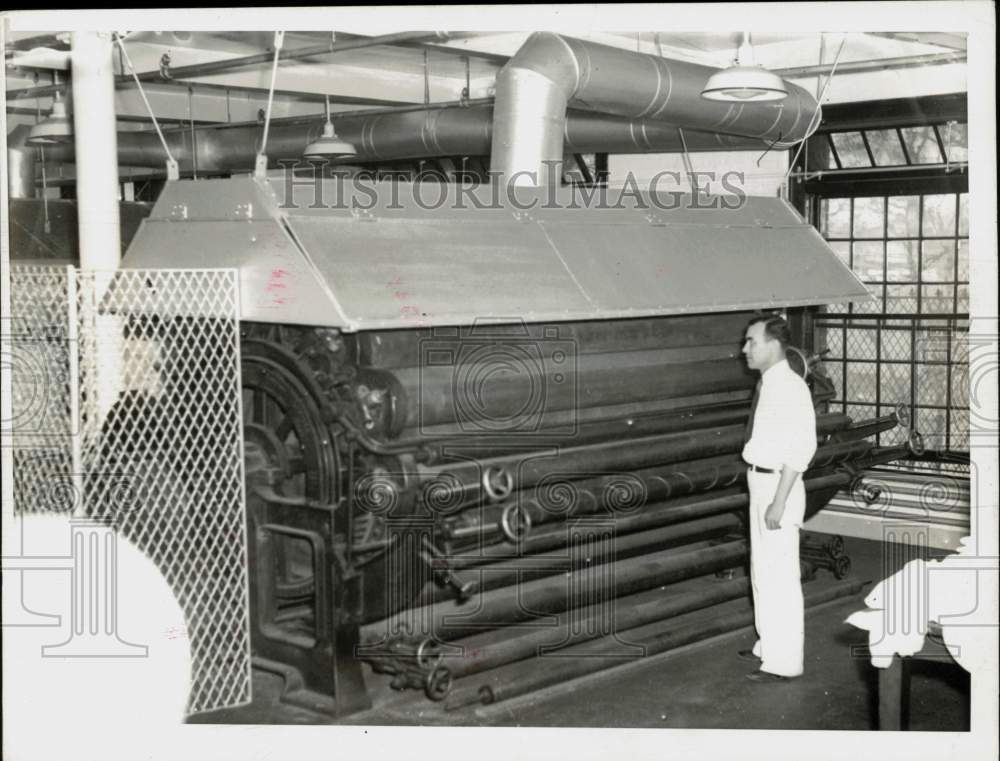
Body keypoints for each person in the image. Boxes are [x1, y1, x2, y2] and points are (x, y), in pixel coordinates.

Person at [738, 313, 817, 682]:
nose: (745, 349)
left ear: (772, 345)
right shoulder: (770, 383)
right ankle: (768, 645)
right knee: (762, 573)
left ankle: (785, 661)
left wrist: (779, 501)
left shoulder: (789, 387)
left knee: (780, 576)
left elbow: (801, 448)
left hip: (776, 489)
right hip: (761, 484)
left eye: (751, 341)